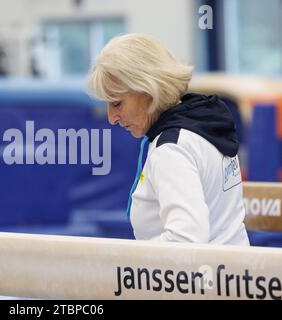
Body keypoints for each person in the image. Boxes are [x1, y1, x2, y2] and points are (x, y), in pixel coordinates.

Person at [87, 33, 249, 245]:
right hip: (232, 271)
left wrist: (130, 263)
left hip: (203, 276)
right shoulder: (205, 123)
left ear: (147, 90)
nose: (111, 118)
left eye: (117, 103)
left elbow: (186, 237)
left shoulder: (171, 149)